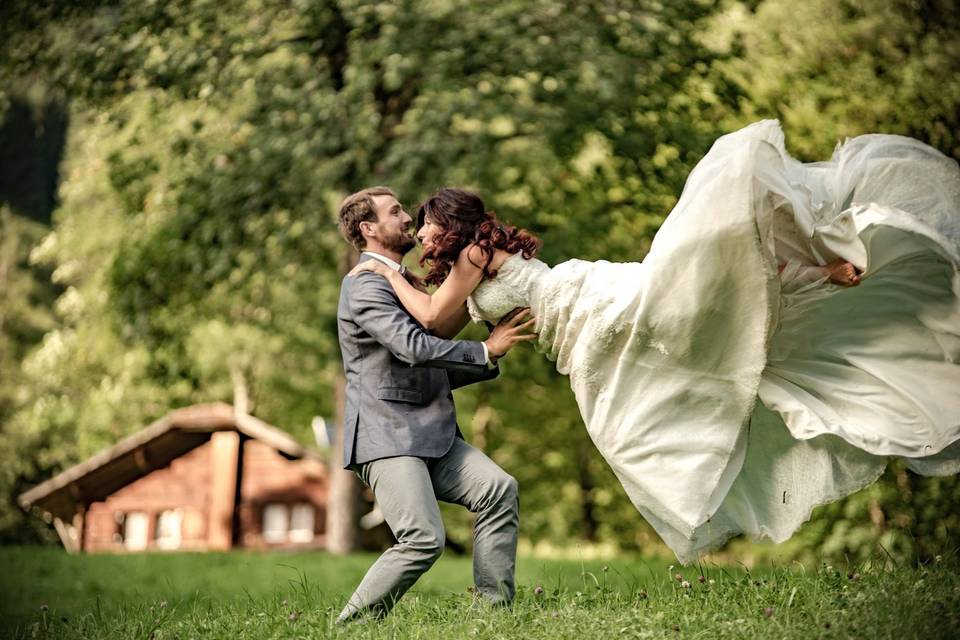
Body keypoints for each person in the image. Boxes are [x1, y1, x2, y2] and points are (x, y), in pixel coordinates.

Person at [350, 120, 960, 563]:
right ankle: (805, 277)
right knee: (703, 326)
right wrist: (408, 284)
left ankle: (806, 264)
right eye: (409, 220)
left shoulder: (473, 255)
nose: (419, 230)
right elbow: (442, 324)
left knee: (685, 314)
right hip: (580, 322)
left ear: (450, 224)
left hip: (588, 309)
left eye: (424, 221)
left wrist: (383, 271)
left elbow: (430, 321)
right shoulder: (467, 266)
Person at [335, 186, 536, 622]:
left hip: (431, 431)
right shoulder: (365, 283)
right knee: (423, 538)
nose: (408, 218)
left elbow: (420, 360)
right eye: (395, 212)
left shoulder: (406, 282)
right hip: (388, 435)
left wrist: (490, 355)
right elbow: (412, 346)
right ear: (368, 228)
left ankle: (493, 612)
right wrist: (483, 352)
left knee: (499, 490)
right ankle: (350, 625)